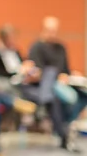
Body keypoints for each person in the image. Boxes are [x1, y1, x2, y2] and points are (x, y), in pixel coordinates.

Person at [29, 16, 86, 151]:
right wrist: (57, 76)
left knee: (84, 95)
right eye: (49, 30)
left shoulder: (61, 47)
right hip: (47, 83)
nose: (52, 33)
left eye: (54, 30)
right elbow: (38, 71)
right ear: (43, 29)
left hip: (65, 81)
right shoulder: (37, 47)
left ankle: (66, 121)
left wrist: (72, 74)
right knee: (69, 97)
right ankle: (62, 127)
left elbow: (65, 68)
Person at [0, 25, 37, 156]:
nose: (13, 40)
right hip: (4, 87)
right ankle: (13, 102)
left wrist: (27, 70)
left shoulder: (17, 52)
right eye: (11, 38)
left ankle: (14, 102)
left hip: (19, 85)